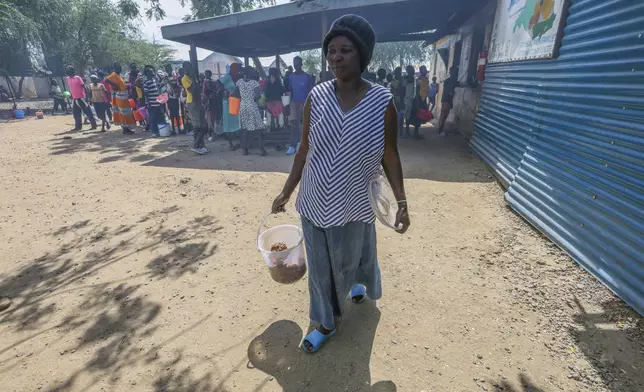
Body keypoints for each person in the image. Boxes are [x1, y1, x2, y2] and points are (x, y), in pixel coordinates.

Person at [271, 14, 410, 354]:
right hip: (315, 199)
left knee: (358, 251)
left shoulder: (382, 103)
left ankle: (358, 285)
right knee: (322, 268)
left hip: (356, 200)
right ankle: (326, 322)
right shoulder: (316, 97)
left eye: (345, 50)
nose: (335, 57)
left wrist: (403, 203)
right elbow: (304, 148)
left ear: (362, 55)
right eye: (331, 51)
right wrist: (287, 190)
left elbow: (389, 154)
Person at [286, 56, 314, 155]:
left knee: (303, 125)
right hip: (294, 102)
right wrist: (288, 104)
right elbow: (290, 91)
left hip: (305, 103)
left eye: (297, 63)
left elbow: (312, 91)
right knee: (293, 124)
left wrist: (308, 104)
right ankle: (292, 145)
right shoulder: (291, 77)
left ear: (301, 64)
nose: (295, 65)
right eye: (294, 63)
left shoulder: (307, 77)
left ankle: (301, 144)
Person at [237, 66, 267, 156]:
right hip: (252, 106)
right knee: (259, 128)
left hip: (243, 106)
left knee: (245, 128)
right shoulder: (254, 83)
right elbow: (258, 95)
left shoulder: (239, 82)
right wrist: (254, 98)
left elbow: (237, 93)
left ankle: (244, 150)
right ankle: (261, 150)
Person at [182, 61, 208, 154]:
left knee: (204, 126)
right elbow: (192, 91)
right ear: (185, 69)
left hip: (198, 102)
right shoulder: (185, 79)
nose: (191, 69)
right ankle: (196, 145)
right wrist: (194, 79)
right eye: (189, 68)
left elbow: (199, 89)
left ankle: (200, 144)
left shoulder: (192, 78)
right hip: (192, 102)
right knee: (198, 126)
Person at [104, 62, 136, 134]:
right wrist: (115, 86)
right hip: (120, 97)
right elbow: (106, 80)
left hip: (123, 96)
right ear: (115, 68)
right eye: (118, 67)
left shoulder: (118, 75)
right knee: (123, 112)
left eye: (120, 67)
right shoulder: (114, 74)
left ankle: (126, 128)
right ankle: (125, 129)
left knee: (125, 112)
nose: (120, 68)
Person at [66, 66, 97, 131]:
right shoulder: (68, 79)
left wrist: (86, 97)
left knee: (88, 112)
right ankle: (78, 127)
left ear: (72, 71)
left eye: (69, 70)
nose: (67, 72)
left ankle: (94, 125)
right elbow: (71, 88)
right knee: (76, 114)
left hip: (81, 98)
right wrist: (71, 95)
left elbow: (84, 87)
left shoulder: (77, 78)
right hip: (74, 99)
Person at [219, 63, 243, 150]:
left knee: (238, 121)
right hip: (228, 102)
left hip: (237, 101)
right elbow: (217, 83)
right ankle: (231, 144)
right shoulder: (227, 77)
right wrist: (225, 91)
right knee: (228, 122)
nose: (239, 70)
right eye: (238, 68)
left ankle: (240, 142)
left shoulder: (239, 77)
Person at [202, 70, 223, 140]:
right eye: (206, 74)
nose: (206, 75)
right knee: (210, 118)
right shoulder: (205, 82)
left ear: (210, 74)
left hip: (214, 101)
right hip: (209, 102)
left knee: (214, 118)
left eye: (208, 74)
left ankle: (215, 132)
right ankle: (211, 133)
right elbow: (204, 93)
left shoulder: (212, 81)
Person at [143, 65, 163, 137]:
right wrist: (148, 103)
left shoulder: (155, 80)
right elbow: (146, 94)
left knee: (159, 117)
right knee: (153, 118)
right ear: (148, 73)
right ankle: (154, 132)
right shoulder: (146, 82)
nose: (153, 73)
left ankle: (160, 130)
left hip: (158, 102)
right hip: (152, 103)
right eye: (151, 71)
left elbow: (158, 91)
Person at [438, 66, 458, 137]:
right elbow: (449, 92)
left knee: (444, 116)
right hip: (446, 100)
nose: (454, 73)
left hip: (447, 100)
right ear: (450, 72)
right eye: (453, 72)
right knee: (443, 116)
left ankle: (441, 130)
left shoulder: (451, 81)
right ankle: (440, 131)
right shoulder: (448, 81)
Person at [163, 64, 183, 135]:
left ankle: (179, 129)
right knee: (171, 114)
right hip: (169, 97)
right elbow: (166, 87)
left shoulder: (174, 75)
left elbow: (174, 86)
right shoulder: (166, 77)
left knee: (177, 113)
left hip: (175, 97)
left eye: (169, 68)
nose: (168, 70)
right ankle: (174, 129)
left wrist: (167, 80)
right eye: (167, 69)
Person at [390, 67, 405, 133]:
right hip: (395, 99)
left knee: (401, 115)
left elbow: (403, 89)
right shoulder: (394, 80)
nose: (399, 74)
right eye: (398, 72)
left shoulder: (402, 80)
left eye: (400, 72)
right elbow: (393, 90)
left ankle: (400, 130)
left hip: (401, 99)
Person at [402, 65, 416, 138]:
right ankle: (402, 131)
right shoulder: (406, 78)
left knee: (408, 116)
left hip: (410, 99)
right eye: (411, 70)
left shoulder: (413, 79)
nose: (413, 71)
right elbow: (403, 89)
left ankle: (407, 131)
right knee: (403, 115)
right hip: (406, 98)